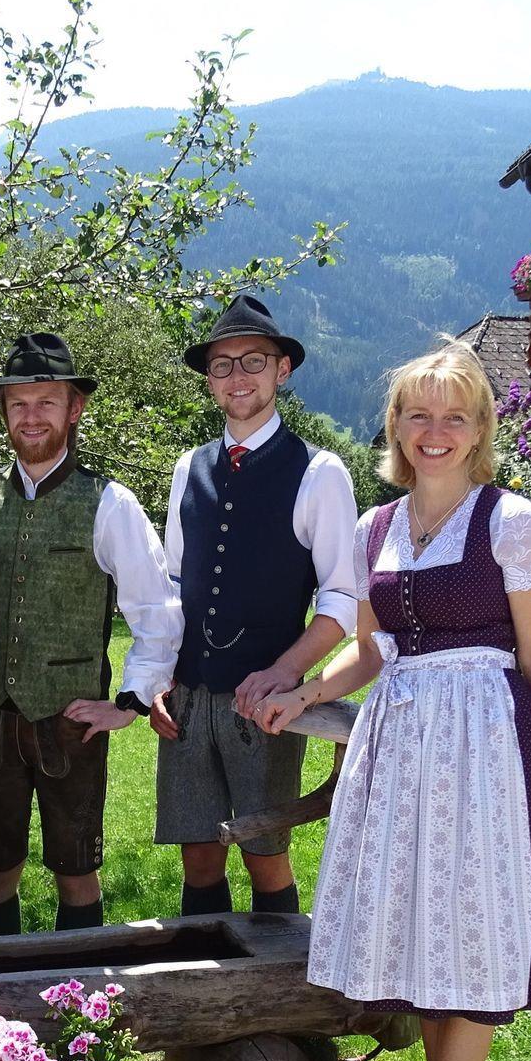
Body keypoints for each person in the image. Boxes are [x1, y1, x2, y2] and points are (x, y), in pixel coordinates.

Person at [253, 341, 531, 1061]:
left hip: (487, 748)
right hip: (403, 748)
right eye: (418, 415)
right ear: (397, 427)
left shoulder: (510, 522)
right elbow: (375, 651)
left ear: (480, 428)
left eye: (454, 416)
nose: (434, 431)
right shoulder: (377, 527)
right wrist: (306, 691)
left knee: (473, 924)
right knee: (426, 922)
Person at [0, 331, 180, 935]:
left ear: (74, 408)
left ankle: (78, 990)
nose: (31, 416)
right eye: (18, 403)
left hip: (70, 722)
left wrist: (129, 703)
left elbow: (157, 610)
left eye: (46, 402)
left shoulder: (109, 503)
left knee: (77, 871)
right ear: (4, 411)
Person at [154, 294, 359, 916]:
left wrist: (286, 671)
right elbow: (172, 584)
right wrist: (157, 674)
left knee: (264, 851)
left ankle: (282, 973)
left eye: (253, 361)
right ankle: (204, 969)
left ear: (281, 370)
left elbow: (344, 597)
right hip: (188, 694)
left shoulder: (319, 471)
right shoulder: (189, 467)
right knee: (198, 853)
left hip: (266, 701)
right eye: (222, 365)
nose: (237, 375)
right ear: (209, 380)